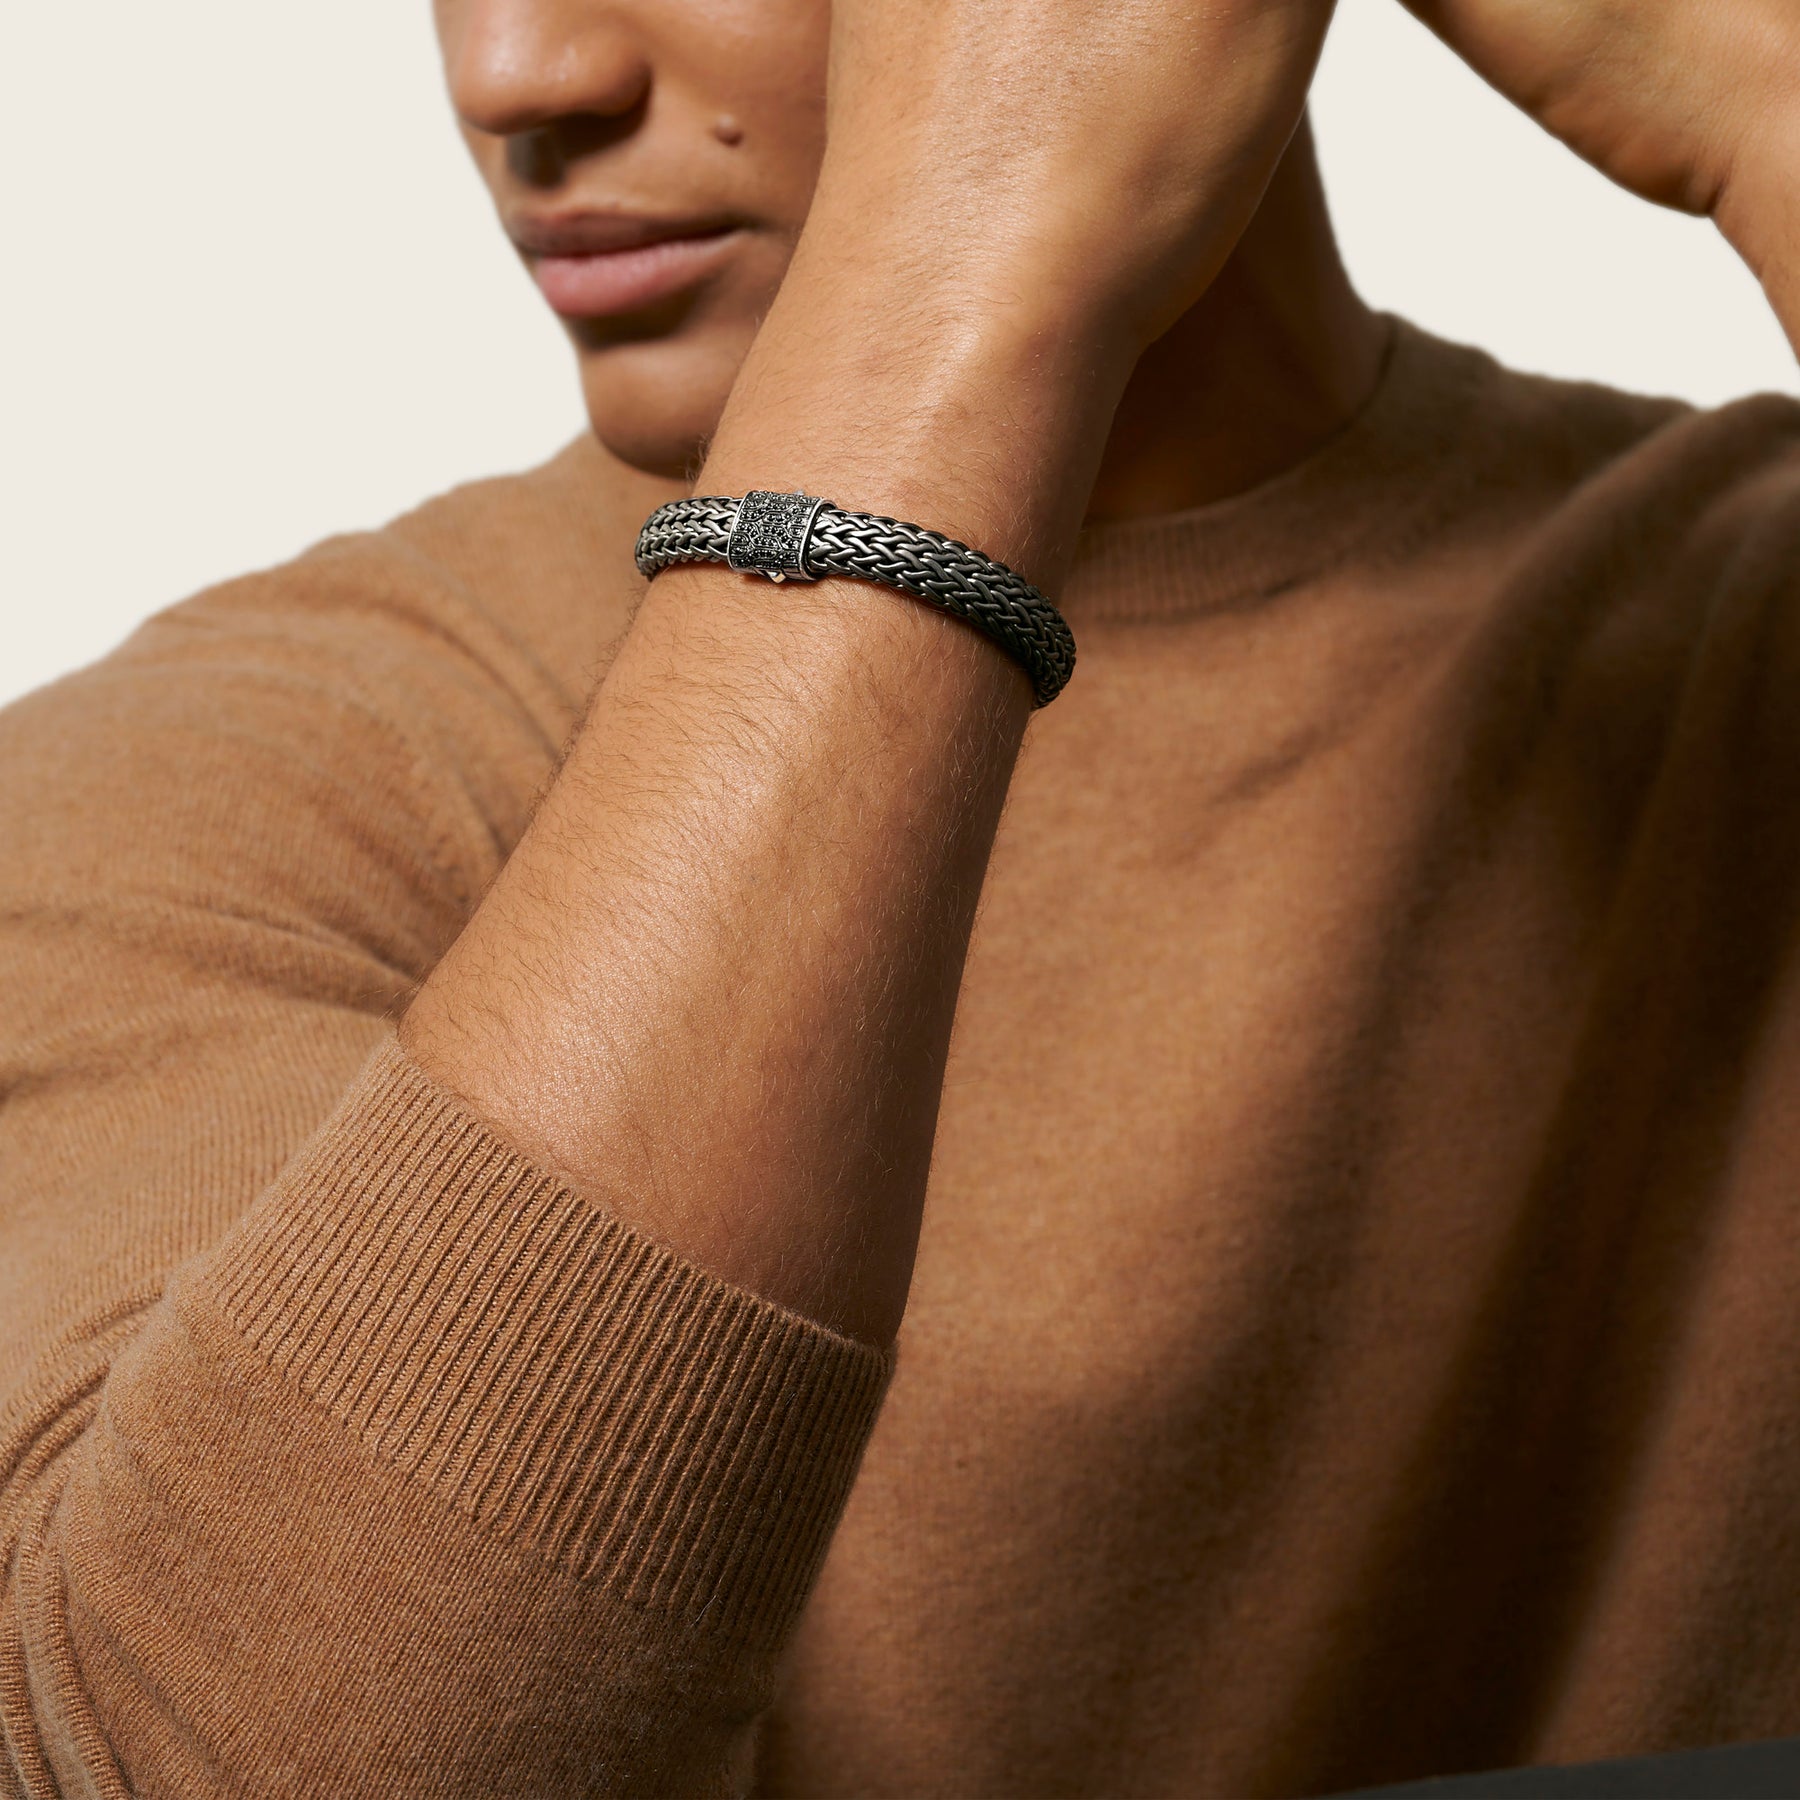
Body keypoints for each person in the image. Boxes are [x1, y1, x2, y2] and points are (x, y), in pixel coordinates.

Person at [3, 0, 1798, 1791]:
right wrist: (958, 281)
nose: (519, 75)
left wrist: (1773, 104)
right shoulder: (244, 766)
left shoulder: (1738, 636)